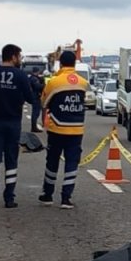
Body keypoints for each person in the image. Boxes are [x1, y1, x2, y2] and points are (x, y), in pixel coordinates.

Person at [0, 45, 36, 209]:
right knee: (11, 161)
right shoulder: (20, 75)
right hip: (13, 122)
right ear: (13, 57)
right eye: (19, 56)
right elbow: (30, 98)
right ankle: (9, 198)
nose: (20, 59)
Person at [39, 50, 88, 209]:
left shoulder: (54, 82)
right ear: (74, 63)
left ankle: (47, 195)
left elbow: (44, 102)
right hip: (76, 130)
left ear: (60, 63)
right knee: (72, 163)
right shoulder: (82, 82)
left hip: (57, 128)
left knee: (52, 161)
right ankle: (66, 198)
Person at [28, 66, 46, 133]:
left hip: (34, 96)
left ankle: (34, 127)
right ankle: (34, 127)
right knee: (35, 112)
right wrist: (43, 85)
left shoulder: (32, 78)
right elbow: (38, 87)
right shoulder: (34, 79)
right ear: (36, 71)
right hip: (35, 97)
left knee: (36, 112)